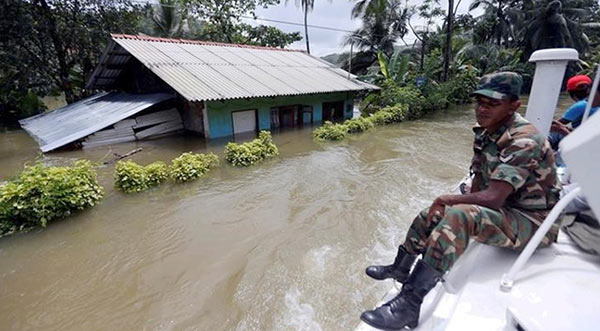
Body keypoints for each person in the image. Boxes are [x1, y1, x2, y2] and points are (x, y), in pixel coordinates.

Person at [360, 72, 560, 330]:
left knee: (459, 214)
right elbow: (478, 184)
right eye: (480, 102)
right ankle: (401, 267)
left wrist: (448, 199)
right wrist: (448, 203)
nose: (482, 109)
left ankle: (409, 304)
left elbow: (494, 197)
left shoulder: (523, 140)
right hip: (507, 209)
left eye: (493, 103)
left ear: (514, 105)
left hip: (533, 221)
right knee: (429, 213)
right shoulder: (488, 133)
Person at [549, 75, 598, 150]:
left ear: (572, 95)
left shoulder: (581, 105)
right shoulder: (594, 104)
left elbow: (556, 124)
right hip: (591, 137)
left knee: (553, 133)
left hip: (583, 140)